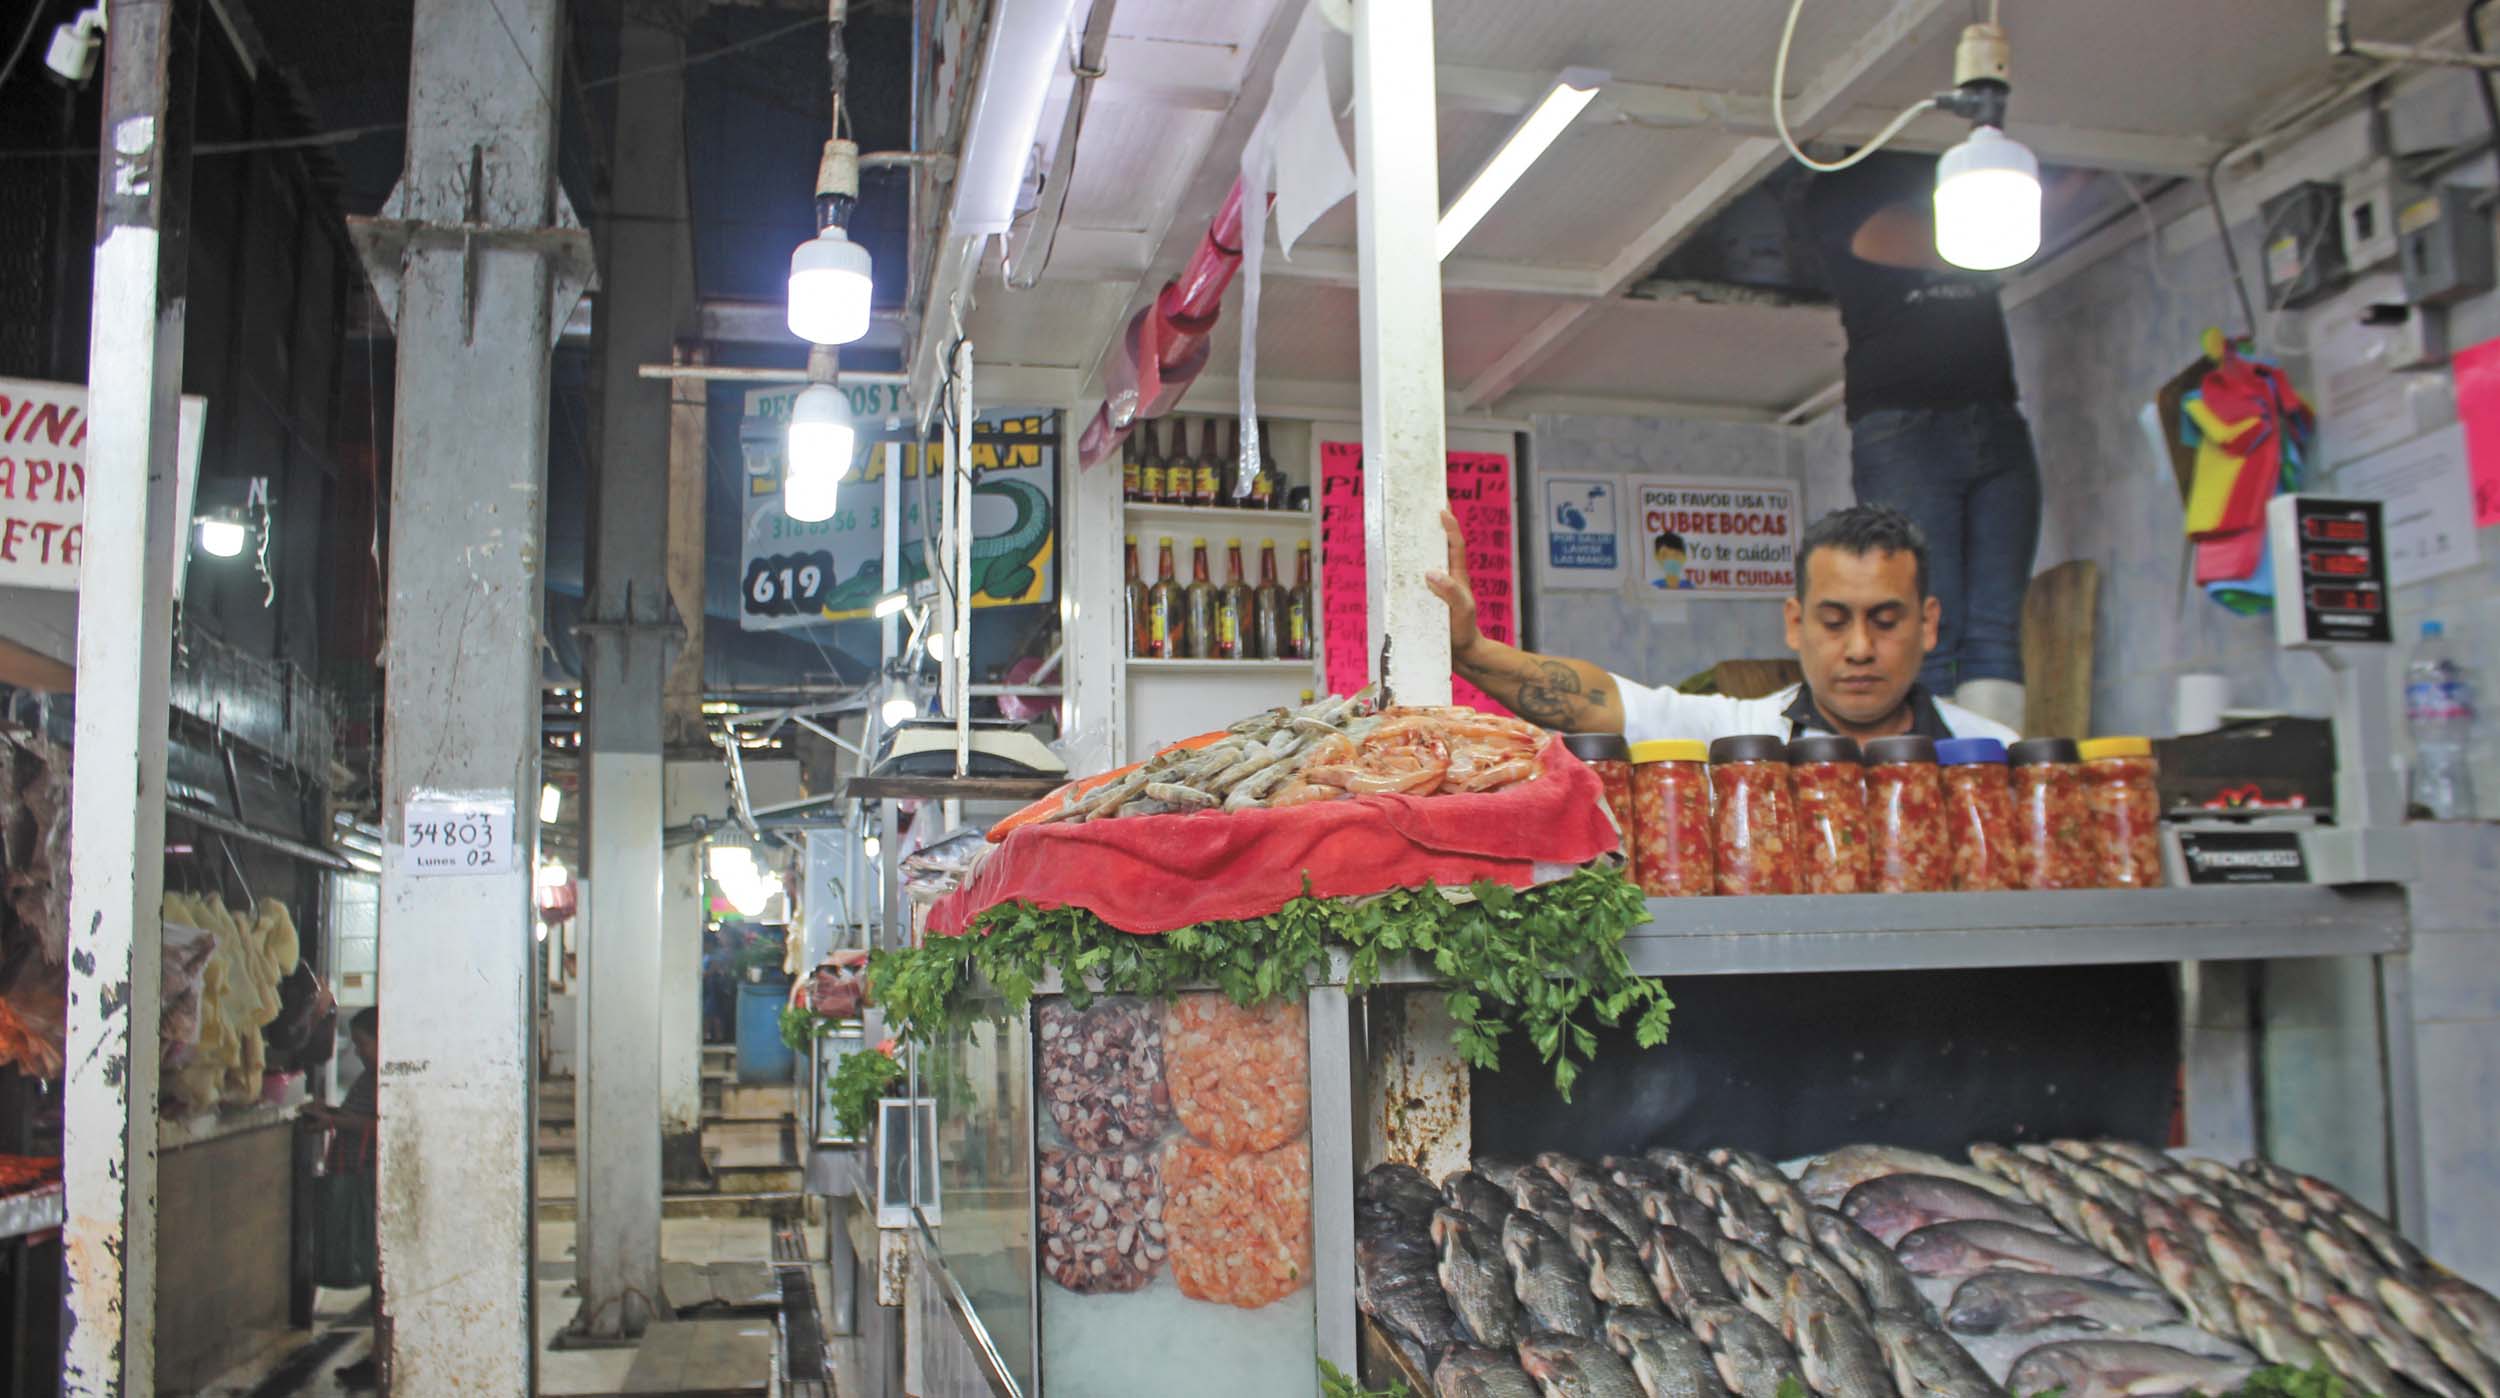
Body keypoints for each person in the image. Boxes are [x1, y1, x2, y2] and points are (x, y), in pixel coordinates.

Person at [1802, 153, 2071, 732]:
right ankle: (1932, 773)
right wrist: (2055, 197)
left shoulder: (1951, 165)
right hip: (1905, 426)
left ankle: (1988, 773)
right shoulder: (1839, 183)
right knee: (1927, 623)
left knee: (1996, 625)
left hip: (1993, 413)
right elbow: (1905, 242)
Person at [1427, 501, 2017, 745]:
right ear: (1795, 623)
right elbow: (1596, 701)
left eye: (1885, 621)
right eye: (1834, 622)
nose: (1860, 648)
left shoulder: (1997, 756)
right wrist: (1470, 650)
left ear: (1929, 624)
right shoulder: (1739, 737)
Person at [303, 1007, 383, 1389]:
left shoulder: (386, 1078)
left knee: (381, 1278)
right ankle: (378, 1357)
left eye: (363, 1043)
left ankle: (381, 1359)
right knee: (377, 1280)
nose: (358, 1051)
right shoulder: (370, 1077)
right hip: (358, 1176)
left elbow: (382, 1125)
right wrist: (330, 1113)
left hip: (367, 1184)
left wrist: (334, 1120)